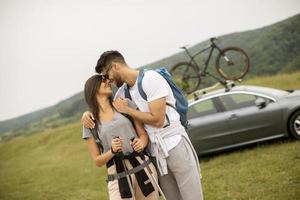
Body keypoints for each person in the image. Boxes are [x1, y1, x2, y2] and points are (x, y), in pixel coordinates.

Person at [82, 50, 204, 200]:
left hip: (174, 142)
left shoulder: (150, 79)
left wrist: (128, 110)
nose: (108, 80)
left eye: (107, 75)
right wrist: (87, 114)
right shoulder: (121, 94)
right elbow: (107, 109)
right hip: (155, 151)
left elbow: (158, 120)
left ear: (115, 66)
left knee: (192, 197)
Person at [82, 74, 159, 200]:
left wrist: (142, 143)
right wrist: (112, 151)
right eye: (103, 81)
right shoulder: (90, 122)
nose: (108, 82)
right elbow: (97, 161)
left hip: (142, 166)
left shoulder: (124, 105)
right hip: (117, 176)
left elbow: (143, 135)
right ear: (93, 88)